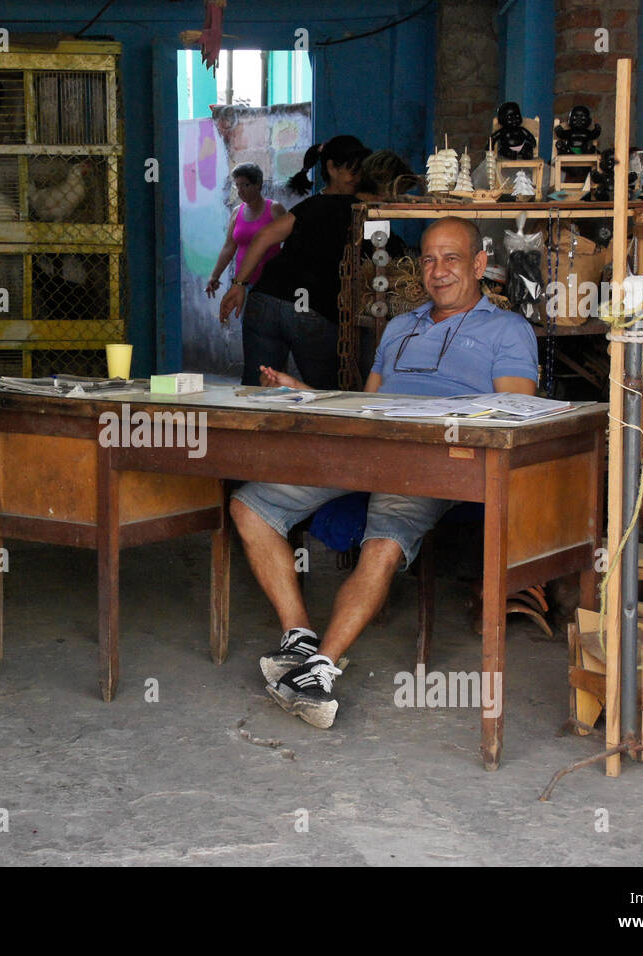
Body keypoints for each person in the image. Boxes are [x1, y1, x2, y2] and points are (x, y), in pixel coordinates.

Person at [231, 216, 539, 728]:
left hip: (436, 464)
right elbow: (366, 406)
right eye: (429, 260)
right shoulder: (400, 326)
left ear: (481, 265)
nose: (437, 272)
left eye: (452, 259)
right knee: (249, 505)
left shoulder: (507, 329)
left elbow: (513, 413)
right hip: (368, 448)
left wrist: (434, 427)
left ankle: (319, 670)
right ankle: (298, 635)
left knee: (382, 542)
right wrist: (308, 393)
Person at [218, 136, 370, 388]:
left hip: (264, 301)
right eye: (351, 170)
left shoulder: (308, 206)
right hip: (309, 309)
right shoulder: (360, 209)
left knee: (259, 389)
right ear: (331, 167)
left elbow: (264, 236)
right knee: (325, 398)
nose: (356, 177)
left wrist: (239, 284)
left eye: (359, 171)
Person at [205, 164, 286, 299]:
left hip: (272, 284)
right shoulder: (237, 212)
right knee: (247, 320)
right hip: (242, 284)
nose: (240, 191)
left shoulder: (274, 209)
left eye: (245, 185)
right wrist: (215, 275)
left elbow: (293, 241)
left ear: (258, 185)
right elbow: (229, 247)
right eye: (237, 185)